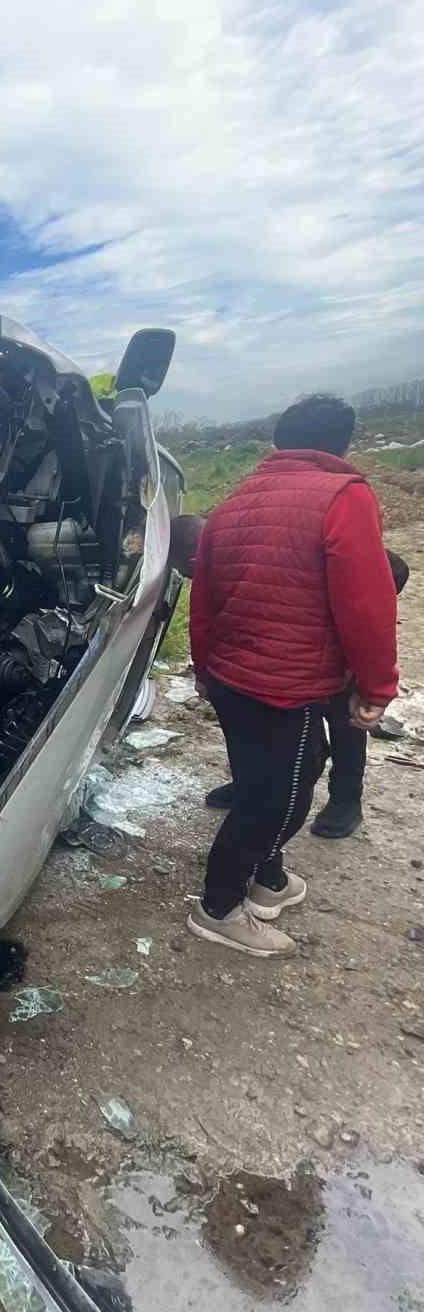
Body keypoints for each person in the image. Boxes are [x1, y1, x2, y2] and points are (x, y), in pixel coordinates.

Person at [186, 394, 399, 957]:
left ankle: (268, 881)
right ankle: (218, 907)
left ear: (278, 440)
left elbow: (203, 598)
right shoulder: (344, 494)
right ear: (344, 444)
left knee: (260, 779)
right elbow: (366, 604)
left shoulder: (235, 501)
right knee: (281, 799)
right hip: (286, 684)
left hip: (230, 678)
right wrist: (376, 686)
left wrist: (202, 667)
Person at [204, 549, 409, 836]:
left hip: (338, 647)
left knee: (346, 722)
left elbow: (373, 624)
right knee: (270, 721)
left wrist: (368, 681)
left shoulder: (365, 564)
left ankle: (346, 798)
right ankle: (251, 785)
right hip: (291, 636)